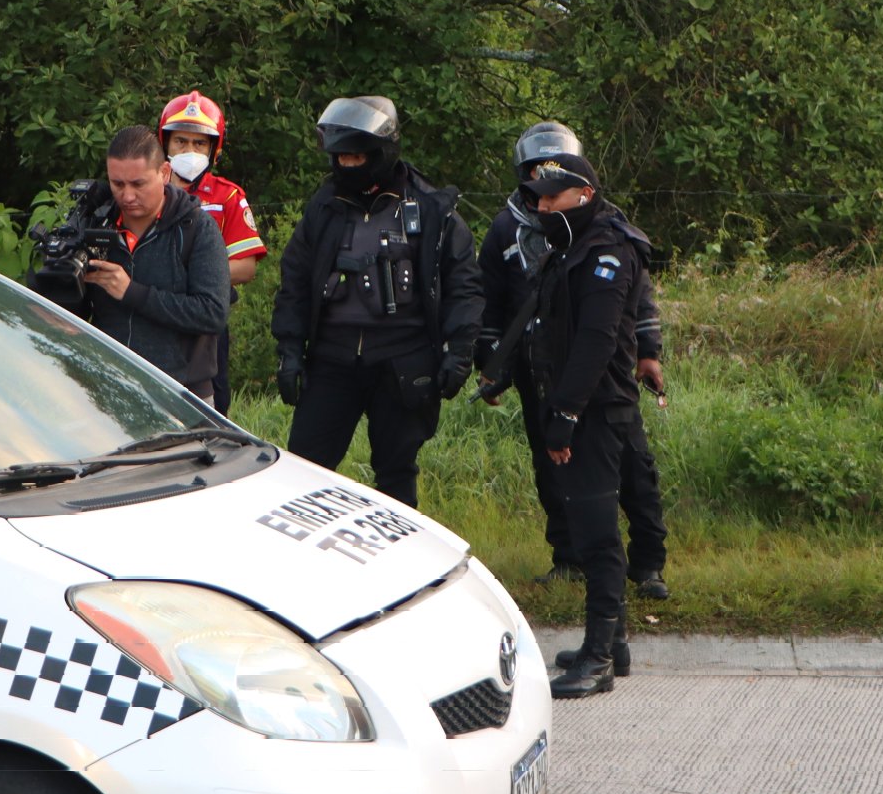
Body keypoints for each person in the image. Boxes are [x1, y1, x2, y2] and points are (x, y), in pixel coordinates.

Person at [478, 122, 670, 607]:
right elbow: (491, 299)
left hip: (604, 372)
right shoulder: (506, 227)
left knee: (633, 469)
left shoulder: (608, 230)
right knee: (553, 468)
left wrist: (649, 351)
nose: (543, 192)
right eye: (535, 179)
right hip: (537, 367)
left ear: (582, 188)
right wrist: (491, 363)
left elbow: (633, 300)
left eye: (555, 181)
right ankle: (568, 558)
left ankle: (647, 563)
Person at [272, 96, 482, 507]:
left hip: (404, 362)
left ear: (382, 150)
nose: (347, 165)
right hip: (331, 361)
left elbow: (464, 285)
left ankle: (404, 564)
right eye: (341, 158)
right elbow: (295, 280)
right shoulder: (323, 208)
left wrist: (460, 351)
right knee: (303, 468)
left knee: (396, 470)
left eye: (357, 157)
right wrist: (289, 350)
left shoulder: (432, 209)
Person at [512, 155, 649, 699]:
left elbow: (595, 341)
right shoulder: (572, 245)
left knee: (595, 532)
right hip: (573, 402)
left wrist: (565, 415)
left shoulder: (608, 251)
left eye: (551, 198)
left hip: (595, 408)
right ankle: (610, 641)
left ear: (584, 194)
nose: (541, 207)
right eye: (538, 199)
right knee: (589, 523)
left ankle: (598, 658)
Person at [38, 126, 230, 400]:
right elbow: (74, 313)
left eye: (138, 184)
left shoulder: (197, 228)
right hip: (109, 389)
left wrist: (132, 293)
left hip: (182, 397)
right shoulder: (92, 223)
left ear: (164, 173)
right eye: (117, 184)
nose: (127, 196)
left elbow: (212, 313)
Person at [159, 92, 267, 413]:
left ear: (213, 149)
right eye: (180, 142)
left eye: (199, 144)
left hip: (206, 323)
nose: (189, 151)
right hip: (152, 314)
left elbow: (246, 267)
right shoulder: (146, 192)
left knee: (211, 413)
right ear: (164, 143)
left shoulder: (228, 196)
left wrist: (188, 277)